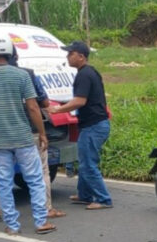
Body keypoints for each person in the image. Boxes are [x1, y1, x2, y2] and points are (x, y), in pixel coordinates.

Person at [0, 34, 57, 235]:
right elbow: (33, 107)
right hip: (23, 138)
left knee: (4, 183)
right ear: (9, 51)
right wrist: (42, 133)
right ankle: (41, 222)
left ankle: (12, 226)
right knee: (35, 180)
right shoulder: (21, 75)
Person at [47, 41, 112, 210]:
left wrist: (58, 109)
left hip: (94, 126)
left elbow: (79, 101)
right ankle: (84, 195)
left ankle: (103, 199)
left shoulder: (84, 75)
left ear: (81, 57)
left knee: (88, 163)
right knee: (84, 160)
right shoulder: (89, 72)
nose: (67, 56)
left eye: (70, 53)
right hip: (95, 124)